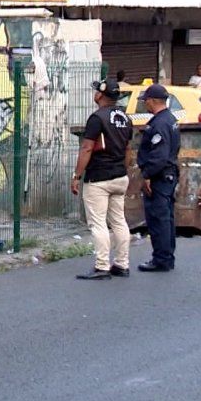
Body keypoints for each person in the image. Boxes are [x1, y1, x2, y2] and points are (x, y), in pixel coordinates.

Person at [70, 79, 133, 280]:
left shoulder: (97, 118)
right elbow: (128, 149)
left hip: (99, 177)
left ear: (101, 95)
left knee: (98, 223)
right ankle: (122, 264)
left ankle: (102, 266)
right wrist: (124, 169)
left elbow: (87, 147)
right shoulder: (125, 117)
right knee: (119, 222)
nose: (94, 94)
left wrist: (77, 175)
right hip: (120, 176)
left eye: (96, 91)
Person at [136, 83, 181, 272]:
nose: (144, 103)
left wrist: (147, 175)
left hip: (159, 177)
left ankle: (161, 259)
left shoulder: (160, 123)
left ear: (154, 101)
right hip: (168, 175)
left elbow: (159, 156)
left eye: (146, 100)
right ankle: (166, 256)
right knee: (166, 218)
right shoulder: (170, 119)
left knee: (158, 219)